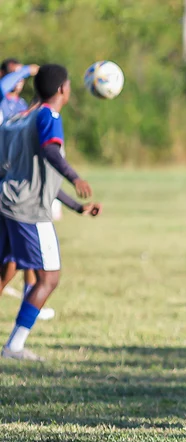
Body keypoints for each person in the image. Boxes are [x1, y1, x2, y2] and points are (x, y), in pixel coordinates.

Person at [0, 65, 96, 361]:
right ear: (62, 90)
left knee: (6, 272)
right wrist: (76, 177)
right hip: (29, 211)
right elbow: (51, 153)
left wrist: (76, 207)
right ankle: (15, 346)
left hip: (7, 203)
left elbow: (38, 173)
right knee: (48, 279)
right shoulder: (49, 117)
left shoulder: (18, 118)